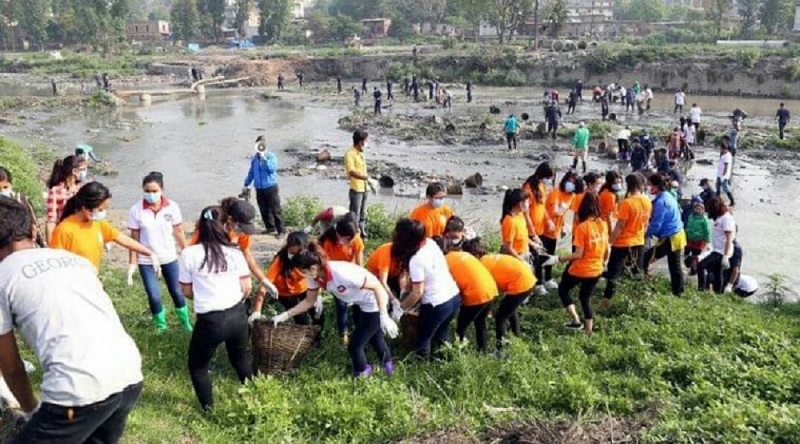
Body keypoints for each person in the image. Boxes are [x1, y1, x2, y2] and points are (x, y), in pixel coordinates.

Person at [0, 197, 144, 443]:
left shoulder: (4, 276)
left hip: (78, 389)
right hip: (129, 374)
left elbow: (12, 368)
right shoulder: (76, 262)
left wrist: (31, 410)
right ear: (33, 230)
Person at [272, 243, 398, 377]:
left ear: (313, 267)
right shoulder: (315, 278)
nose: (303, 275)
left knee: (355, 344)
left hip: (373, 303)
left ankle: (362, 372)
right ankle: (388, 367)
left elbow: (378, 287)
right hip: (359, 303)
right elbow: (309, 301)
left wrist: (384, 315)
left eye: (303, 271)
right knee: (374, 337)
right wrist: (285, 315)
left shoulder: (341, 273)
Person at [179, 207, 252, 411]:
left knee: (198, 366)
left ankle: (209, 410)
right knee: (241, 359)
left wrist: (203, 294)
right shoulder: (234, 253)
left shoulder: (189, 254)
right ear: (225, 226)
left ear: (199, 226)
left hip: (211, 321)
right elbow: (247, 288)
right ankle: (255, 398)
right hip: (237, 316)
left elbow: (186, 291)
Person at [127, 172, 192, 333]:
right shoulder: (136, 210)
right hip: (146, 259)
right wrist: (132, 263)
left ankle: (185, 323)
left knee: (177, 291)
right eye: (147, 191)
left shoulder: (172, 207)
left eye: (154, 191)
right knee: (154, 294)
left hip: (169, 257)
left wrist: (186, 252)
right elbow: (134, 239)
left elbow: (178, 232)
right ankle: (161, 325)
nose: (151, 194)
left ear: (162, 189)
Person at [50, 182, 160, 273]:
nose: (103, 213)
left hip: (92, 279)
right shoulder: (64, 230)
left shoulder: (98, 223)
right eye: (101, 209)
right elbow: (56, 266)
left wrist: (149, 253)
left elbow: (121, 238)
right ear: (85, 208)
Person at [392, 219, 460, 360]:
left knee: (423, 339)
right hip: (453, 296)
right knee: (442, 334)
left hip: (436, 303)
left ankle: (421, 370)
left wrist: (400, 308)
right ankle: (447, 362)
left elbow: (418, 292)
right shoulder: (430, 243)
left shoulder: (416, 259)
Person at [554, 193, 608, 335]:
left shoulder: (582, 227)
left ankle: (575, 320)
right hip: (597, 269)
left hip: (581, 269)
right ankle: (588, 331)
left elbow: (578, 254)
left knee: (563, 290)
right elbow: (606, 249)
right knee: (585, 298)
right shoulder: (603, 224)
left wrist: (558, 259)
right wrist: (603, 264)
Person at [249, 232, 322, 329]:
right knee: (301, 319)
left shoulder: (310, 258)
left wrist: (318, 295)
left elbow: (316, 277)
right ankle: (302, 340)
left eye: (295, 253)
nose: (292, 256)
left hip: (305, 289)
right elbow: (264, 285)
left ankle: (317, 339)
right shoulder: (280, 261)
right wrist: (257, 310)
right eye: (290, 252)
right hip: (287, 294)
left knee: (318, 314)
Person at [603, 173, 651, 305]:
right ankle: (639, 300)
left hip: (623, 243)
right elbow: (646, 224)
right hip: (639, 242)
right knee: (637, 273)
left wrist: (610, 242)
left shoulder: (627, 203)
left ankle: (606, 302)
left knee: (613, 274)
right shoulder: (647, 201)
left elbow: (619, 226)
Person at [441, 239, 497, 352]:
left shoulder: (444, 261)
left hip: (476, 294)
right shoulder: (463, 254)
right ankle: (483, 351)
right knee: (480, 322)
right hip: (491, 289)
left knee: (461, 327)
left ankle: (461, 352)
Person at [320, 216, 365, 343]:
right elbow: (326, 265)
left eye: (351, 239)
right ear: (338, 234)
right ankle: (343, 335)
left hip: (351, 274)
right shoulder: (328, 242)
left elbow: (360, 265)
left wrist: (359, 283)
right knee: (341, 305)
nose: (350, 241)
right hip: (336, 276)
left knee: (357, 304)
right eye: (347, 239)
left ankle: (359, 331)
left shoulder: (356, 239)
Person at [643, 174, 686, 296]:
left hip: (671, 237)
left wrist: (645, 234)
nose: (649, 187)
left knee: (646, 258)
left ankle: (644, 284)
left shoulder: (661, 202)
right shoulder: (668, 195)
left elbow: (656, 224)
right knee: (674, 265)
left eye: (651, 185)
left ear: (657, 186)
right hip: (677, 234)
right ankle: (678, 292)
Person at [540, 172, 578, 292]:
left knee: (550, 254)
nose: (570, 184)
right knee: (541, 255)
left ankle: (548, 279)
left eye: (573, 182)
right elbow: (555, 211)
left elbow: (563, 213)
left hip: (554, 230)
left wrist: (562, 226)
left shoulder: (571, 196)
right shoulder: (556, 193)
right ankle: (538, 283)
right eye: (569, 181)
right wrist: (562, 209)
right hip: (544, 228)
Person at [244, 136, 285, 236]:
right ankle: (270, 227)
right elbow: (252, 172)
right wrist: (247, 183)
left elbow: (272, 169)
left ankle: (281, 230)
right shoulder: (254, 158)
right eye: (258, 144)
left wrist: (264, 159)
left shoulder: (271, 156)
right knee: (263, 209)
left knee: (275, 209)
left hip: (270, 186)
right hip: (259, 187)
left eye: (262, 144)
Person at [696, 197, 736, 294]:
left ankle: (701, 290)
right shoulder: (720, 217)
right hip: (717, 249)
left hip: (721, 251)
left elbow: (729, 238)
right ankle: (718, 293)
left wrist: (726, 256)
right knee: (718, 272)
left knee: (701, 265)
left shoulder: (726, 218)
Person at [45, 154, 88, 244]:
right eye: (83, 169)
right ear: (74, 171)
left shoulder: (83, 188)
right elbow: (51, 220)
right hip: (64, 235)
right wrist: (50, 244)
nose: (85, 172)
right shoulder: (56, 191)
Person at [0, 166, 42, 247]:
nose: (2, 191)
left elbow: (34, 224)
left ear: (11, 185)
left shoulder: (21, 200)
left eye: (5, 187)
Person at [344, 129, 373, 238]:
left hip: (364, 188)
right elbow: (351, 172)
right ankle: (353, 234)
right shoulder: (350, 154)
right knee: (354, 214)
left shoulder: (361, 153)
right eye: (365, 140)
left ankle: (362, 233)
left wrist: (368, 182)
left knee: (362, 213)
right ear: (360, 141)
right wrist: (367, 178)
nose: (366, 143)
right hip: (356, 189)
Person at [365, 242, 405, 318]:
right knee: (383, 296)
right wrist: (393, 300)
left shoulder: (406, 255)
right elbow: (383, 281)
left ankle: (396, 315)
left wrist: (402, 294)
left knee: (400, 294)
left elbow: (402, 276)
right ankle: (382, 315)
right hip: (376, 275)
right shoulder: (386, 252)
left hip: (392, 273)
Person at [500, 188, 538, 262]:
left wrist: (534, 244)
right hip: (515, 258)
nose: (528, 204)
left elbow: (522, 236)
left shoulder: (520, 215)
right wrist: (521, 261)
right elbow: (508, 248)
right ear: (520, 203)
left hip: (524, 252)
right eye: (527, 201)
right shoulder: (510, 222)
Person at [683, 196, 711, 275]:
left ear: (703, 210)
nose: (697, 210)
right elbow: (688, 226)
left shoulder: (704, 219)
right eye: (696, 208)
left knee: (696, 256)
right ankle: (693, 268)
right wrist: (686, 234)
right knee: (691, 254)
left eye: (700, 209)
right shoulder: (691, 216)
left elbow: (707, 231)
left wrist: (708, 241)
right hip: (691, 239)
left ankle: (694, 270)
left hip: (700, 240)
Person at [716, 140, 735, 206]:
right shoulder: (723, 154)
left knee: (725, 188)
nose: (720, 149)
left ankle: (732, 201)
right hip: (719, 174)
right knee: (717, 187)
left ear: (723, 148)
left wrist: (723, 175)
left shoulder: (727, 155)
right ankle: (717, 201)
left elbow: (726, 167)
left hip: (723, 176)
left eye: (720, 148)